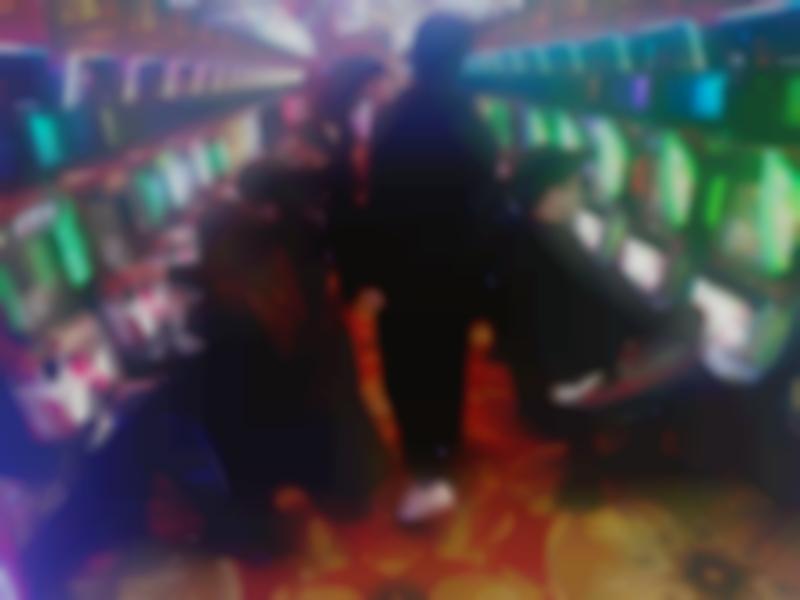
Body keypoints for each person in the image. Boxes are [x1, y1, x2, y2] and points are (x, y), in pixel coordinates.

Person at [364, 14, 497, 523]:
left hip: (401, 266)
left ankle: (424, 460)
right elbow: (484, 197)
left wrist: (372, 276)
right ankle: (443, 450)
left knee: (407, 369)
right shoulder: (468, 115)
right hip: (452, 266)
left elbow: (377, 199)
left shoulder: (395, 112)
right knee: (446, 363)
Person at [496, 150, 647, 434]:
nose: (582, 194)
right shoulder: (559, 248)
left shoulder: (527, 234)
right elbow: (630, 312)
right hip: (570, 394)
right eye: (576, 186)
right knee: (690, 340)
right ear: (553, 195)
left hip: (538, 389)